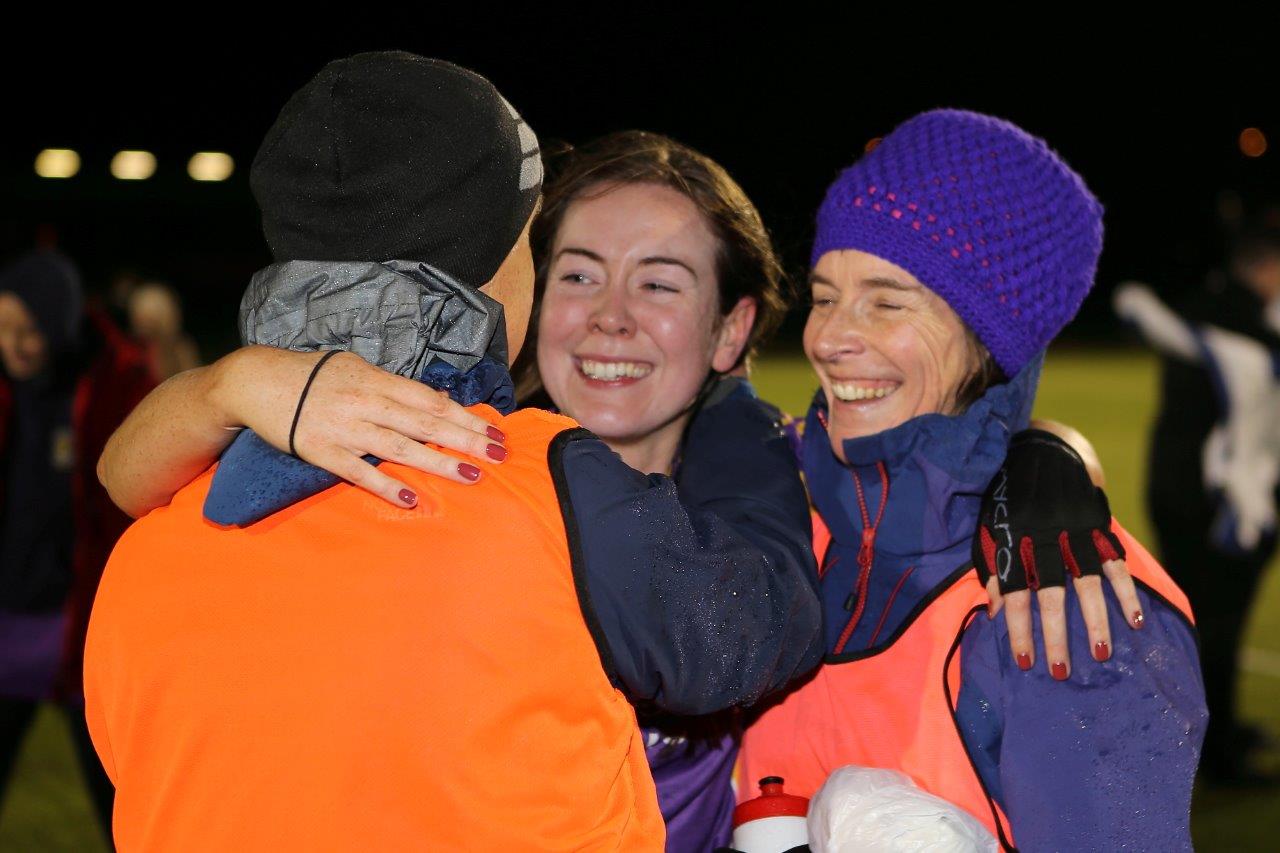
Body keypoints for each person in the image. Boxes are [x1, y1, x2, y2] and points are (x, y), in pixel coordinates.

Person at [84, 52, 821, 851]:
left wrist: (221, 388)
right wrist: (740, 416)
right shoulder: (544, 488)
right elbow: (753, 628)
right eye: (550, 254)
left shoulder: (150, 544)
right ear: (498, 267)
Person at [737, 109, 1207, 851]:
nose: (828, 337)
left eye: (887, 301)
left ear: (991, 339)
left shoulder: (1076, 613)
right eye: (825, 295)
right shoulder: (768, 499)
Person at [1114, 222, 1280, 784]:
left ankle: (1215, 731)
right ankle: (1216, 754)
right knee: (1216, 625)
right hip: (1217, 500)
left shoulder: (1197, 307)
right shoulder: (1246, 323)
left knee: (1192, 622)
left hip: (1175, 489)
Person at [0, 250, 155, 842]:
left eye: (29, 329)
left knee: (121, 808)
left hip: (81, 635)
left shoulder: (119, 382)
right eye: (4, 330)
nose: (14, 345)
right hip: (9, 626)